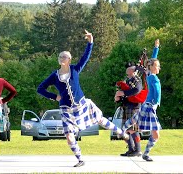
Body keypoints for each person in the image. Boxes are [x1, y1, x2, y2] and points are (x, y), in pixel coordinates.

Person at [37, 30, 129, 167]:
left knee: (100, 120)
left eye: (65, 57)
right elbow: (40, 89)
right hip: (66, 110)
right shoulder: (54, 76)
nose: (62, 58)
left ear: (69, 60)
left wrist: (90, 42)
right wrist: (54, 96)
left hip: (82, 105)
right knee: (68, 136)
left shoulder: (75, 69)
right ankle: (80, 159)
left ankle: (122, 134)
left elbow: (85, 58)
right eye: (60, 56)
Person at [115, 39, 160, 157]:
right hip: (148, 105)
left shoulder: (145, 77)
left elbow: (153, 61)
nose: (159, 68)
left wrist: (156, 48)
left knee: (135, 127)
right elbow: (152, 61)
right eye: (157, 66)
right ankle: (133, 146)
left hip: (147, 106)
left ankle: (140, 150)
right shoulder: (150, 75)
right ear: (151, 67)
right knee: (133, 126)